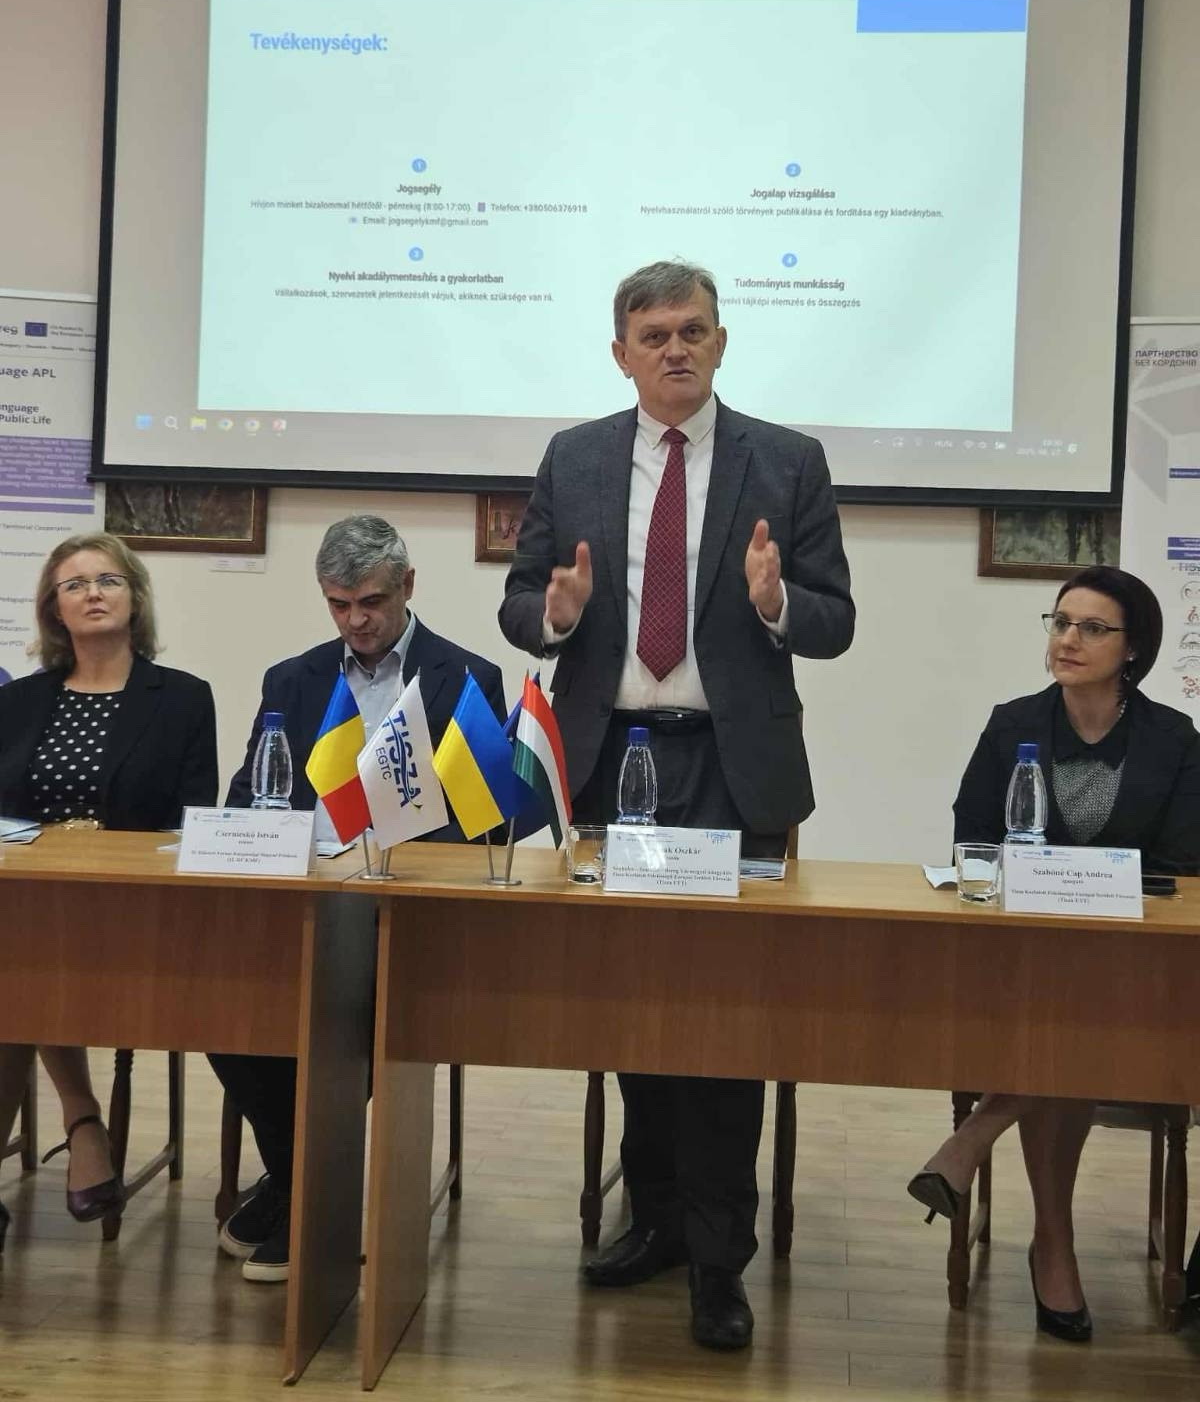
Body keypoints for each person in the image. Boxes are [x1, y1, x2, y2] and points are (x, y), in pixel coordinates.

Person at [498, 260, 855, 1350]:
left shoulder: (786, 460)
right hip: (611, 762)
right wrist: (557, 614)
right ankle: (652, 1217)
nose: (675, 349)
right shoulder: (575, 457)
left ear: (721, 342)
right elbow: (520, 606)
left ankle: (717, 1256)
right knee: (631, 1005)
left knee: (724, 1015)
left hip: (731, 772)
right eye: (653, 335)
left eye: (693, 330)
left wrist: (776, 602)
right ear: (622, 354)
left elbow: (835, 621)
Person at [907, 565, 1200, 1343]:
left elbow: (1183, 867)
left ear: (1131, 649)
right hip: (1026, 959)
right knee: (1064, 1012)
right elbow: (973, 839)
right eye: (1061, 622)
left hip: (1135, 965)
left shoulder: (1173, 740)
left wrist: (1088, 893)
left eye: (1092, 628)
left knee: (1074, 1011)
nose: (1068, 639)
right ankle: (1052, 1242)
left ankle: (977, 1145)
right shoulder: (1013, 724)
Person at [210, 513, 505, 1282]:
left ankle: (300, 1194)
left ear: (408, 585)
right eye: (338, 605)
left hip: (409, 919)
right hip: (304, 908)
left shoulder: (466, 678)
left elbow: (487, 825)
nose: (356, 621)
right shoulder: (293, 679)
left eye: (370, 602)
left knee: (349, 1011)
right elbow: (249, 798)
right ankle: (305, 1178)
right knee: (222, 1006)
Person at [0, 532, 218, 1252]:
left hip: (135, 911)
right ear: (53, 609)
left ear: (134, 597)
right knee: (17, 957)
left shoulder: (181, 698)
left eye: (108, 580)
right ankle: (84, 1120)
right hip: (29, 904)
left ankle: (82, 1120)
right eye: (74, 584)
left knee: (15, 973)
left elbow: (194, 820)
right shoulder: (17, 702)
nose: (92, 593)